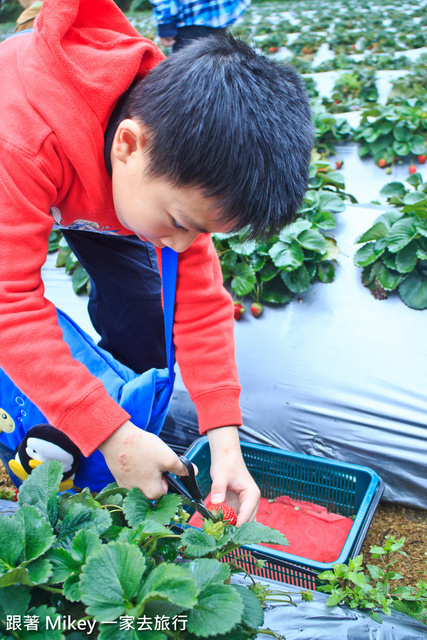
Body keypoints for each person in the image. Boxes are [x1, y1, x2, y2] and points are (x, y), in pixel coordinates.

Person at [0, 0, 313, 524]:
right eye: (181, 221)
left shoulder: (175, 159)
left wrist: (224, 440)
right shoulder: (21, 140)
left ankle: (102, 404)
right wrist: (108, 432)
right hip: (36, 164)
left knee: (150, 309)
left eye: (203, 230)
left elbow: (200, 303)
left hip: (103, 189)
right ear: (127, 145)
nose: (187, 244)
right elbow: (9, 301)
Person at [151, 0, 250, 51]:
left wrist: (166, 25)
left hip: (190, 20)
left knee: (189, 78)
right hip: (220, 13)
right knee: (219, 69)